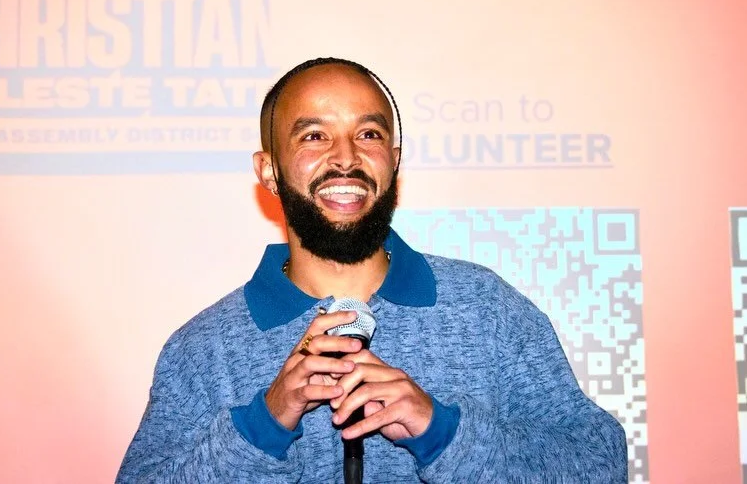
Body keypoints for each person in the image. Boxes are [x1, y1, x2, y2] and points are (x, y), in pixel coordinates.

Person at [116, 57, 628, 483]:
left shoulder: (486, 309)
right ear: (268, 170)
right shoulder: (202, 349)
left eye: (368, 134)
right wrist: (262, 426)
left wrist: (444, 433)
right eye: (314, 136)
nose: (346, 158)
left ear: (393, 160)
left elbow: (598, 466)